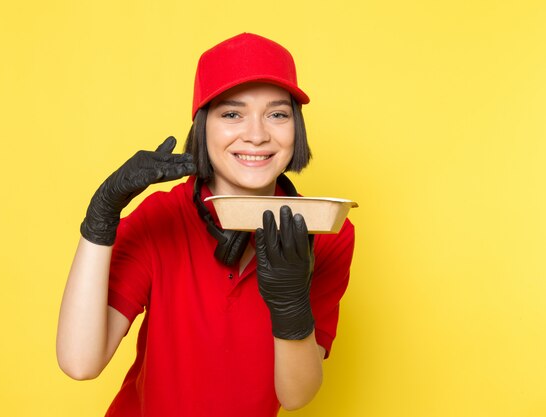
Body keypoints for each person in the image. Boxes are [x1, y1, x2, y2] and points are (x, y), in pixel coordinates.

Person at [56, 33, 355, 417]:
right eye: (232, 114)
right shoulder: (162, 218)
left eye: (277, 114)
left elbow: (295, 396)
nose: (257, 134)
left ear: (296, 126)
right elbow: (80, 362)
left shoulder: (328, 233)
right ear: (203, 126)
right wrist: (100, 217)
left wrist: (290, 307)